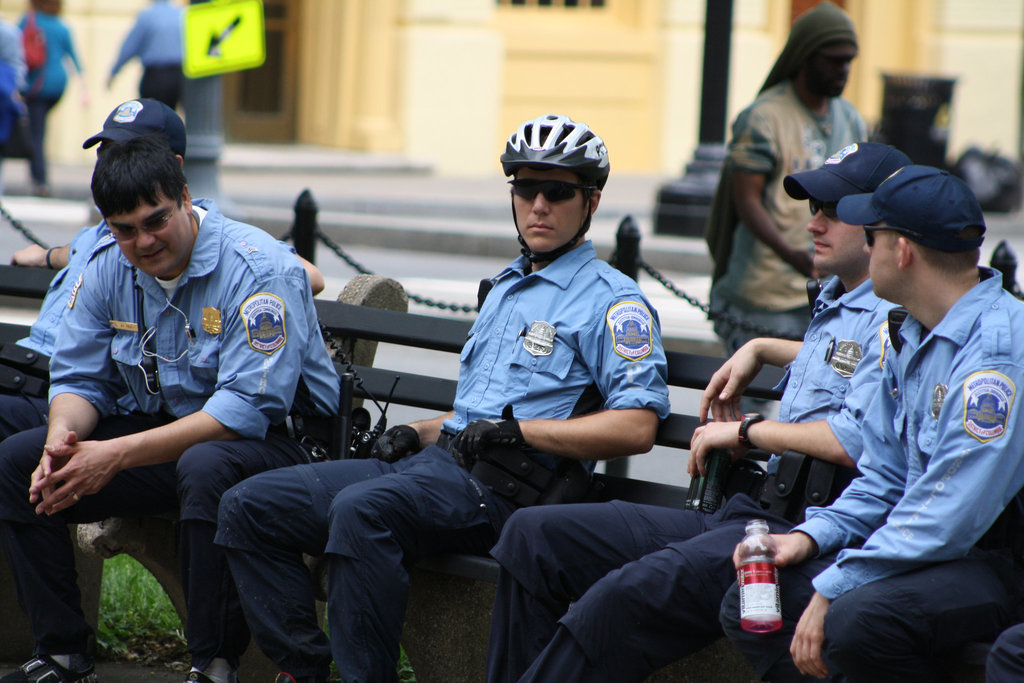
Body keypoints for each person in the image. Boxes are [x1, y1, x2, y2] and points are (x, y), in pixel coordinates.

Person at [214, 113, 671, 683]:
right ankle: (307, 668)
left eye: (558, 192)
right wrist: (417, 431)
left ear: (592, 201)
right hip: (439, 469)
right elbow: (479, 415)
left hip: (506, 492)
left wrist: (518, 433)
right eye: (526, 189)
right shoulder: (507, 286)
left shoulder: (611, 302)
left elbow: (636, 427)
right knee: (249, 505)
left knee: (362, 514)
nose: (539, 206)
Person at [483, 142, 908, 683]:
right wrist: (763, 346)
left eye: (832, 210)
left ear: (880, 223)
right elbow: (848, 363)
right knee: (532, 536)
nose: (813, 224)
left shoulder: (897, 314)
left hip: (805, 528)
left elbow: (860, 433)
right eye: (813, 209)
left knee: (618, 598)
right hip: (751, 511)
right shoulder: (842, 300)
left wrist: (748, 431)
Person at [0, 135, 339, 683]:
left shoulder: (257, 270)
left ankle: (214, 663)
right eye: (125, 229)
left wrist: (114, 454)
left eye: (156, 220)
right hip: (181, 432)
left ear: (185, 197)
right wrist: (62, 439)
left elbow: (246, 410)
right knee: (22, 463)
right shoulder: (109, 264)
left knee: (205, 466)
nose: (144, 241)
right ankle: (62, 652)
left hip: (287, 442)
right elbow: (80, 376)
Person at [720, 165, 1024, 683]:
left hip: (996, 560)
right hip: (931, 550)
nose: (866, 246)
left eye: (873, 235)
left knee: (860, 620)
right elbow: (883, 477)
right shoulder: (910, 330)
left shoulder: (995, 355)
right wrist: (811, 539)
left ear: (901, 251)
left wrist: (833, 584)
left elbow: (950, 514)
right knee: (751, 600)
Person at [706, 0, 867, 354]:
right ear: (805, 56)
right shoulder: (764, 117)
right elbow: (746, 201)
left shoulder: (851, 119)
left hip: (829, 289)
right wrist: (793, 255)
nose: (843, 70)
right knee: (750, 406)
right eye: (833, 60)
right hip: (764, 295)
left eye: (848, 62)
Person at [19, 0, 88, 197]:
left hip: (37, 84)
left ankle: (40, 180)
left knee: (36, 133)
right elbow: (74, 57)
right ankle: (39, 176)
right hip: (58, 84)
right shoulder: (62, 26)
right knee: (40, 129)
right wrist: (85, 89)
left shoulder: (30, 21)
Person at [107, 0, 183, 109]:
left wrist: (114, 71)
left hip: (155, 76)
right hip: (178, 75)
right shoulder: (180, 14)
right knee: (170, 115)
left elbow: (130, 46)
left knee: (149, 113)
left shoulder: (147, 16)